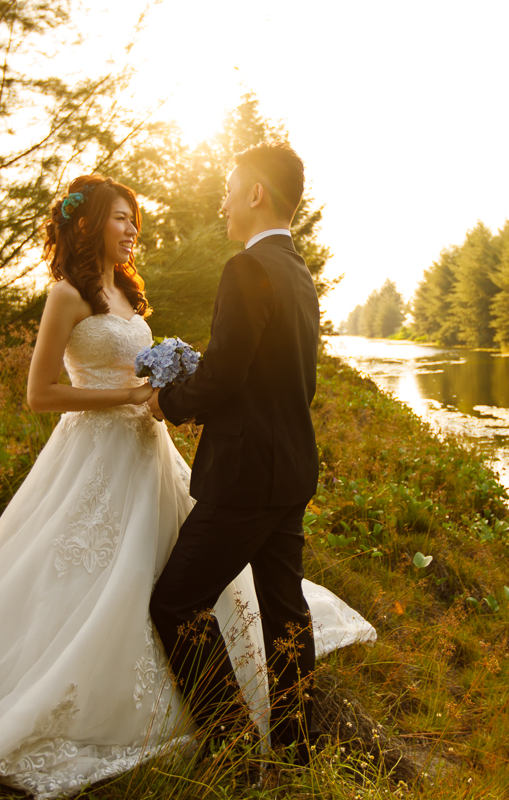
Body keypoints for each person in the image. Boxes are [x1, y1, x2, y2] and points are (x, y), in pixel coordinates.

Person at [0, 174, 374, 800]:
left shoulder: (130, 293)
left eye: (135, 219)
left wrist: (170, 394)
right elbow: (39, 393)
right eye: (121, 218)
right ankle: (258, 743)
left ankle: (252, 744)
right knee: (110, 582)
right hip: (96, 454)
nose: (132, 230)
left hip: (149, 454)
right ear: (88, 223)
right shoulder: (66, 294)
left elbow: (227, 370)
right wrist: (134, 395)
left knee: (169, 588)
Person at [146, 142, 323, 762]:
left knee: (176, 602)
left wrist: (169, 401)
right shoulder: (297, 271)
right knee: (286, 613)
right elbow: (289, 379)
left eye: (228, 190)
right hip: (292, 469)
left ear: (256, 193)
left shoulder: (247, 268)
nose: (223, 204)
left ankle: (233, 743)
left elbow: (224, 373)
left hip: (246, 477)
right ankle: (297, 751)